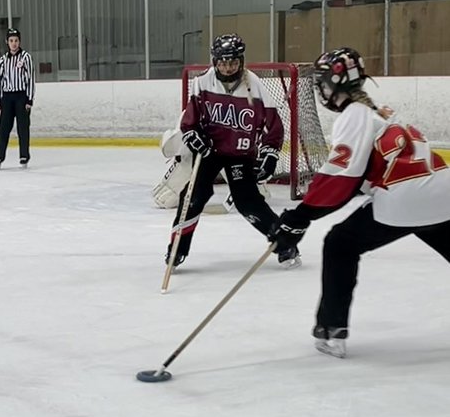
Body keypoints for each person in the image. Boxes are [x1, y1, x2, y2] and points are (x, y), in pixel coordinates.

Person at [269, 47, 450, 358]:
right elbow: (356, 181)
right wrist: (305, 216)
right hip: (442, 192)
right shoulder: (379, 111)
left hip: (404, 198)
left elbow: (341, 177)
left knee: (340, 244)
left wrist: (300, 216)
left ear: (331, 85)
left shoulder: (354, 114)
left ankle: (331, 330)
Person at [169, 34, 293, 268]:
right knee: (192, 198)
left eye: (233, 62)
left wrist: (269, 153)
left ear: (241, 61)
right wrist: (192, 135)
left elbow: (273, 125)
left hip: (240, 154)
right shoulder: (202, 82)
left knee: (248, 202)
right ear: (215, 61)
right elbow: (190, 120)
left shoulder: (253, 85)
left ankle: (285, 243)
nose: (228, 67)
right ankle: (176, 250)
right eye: (223, 62)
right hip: (209, 152)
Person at [0, 29, 35, 168]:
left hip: (21, 96)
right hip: (7, 97)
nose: (14, 43)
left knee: (23, 128)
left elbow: (30, 79)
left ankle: (24, 156)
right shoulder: (3, 60)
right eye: (11, 41)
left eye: (16, 40)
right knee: (4, 128)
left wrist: (29, 99)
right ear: (7, 42)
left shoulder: (26, 57)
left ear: (19, 41)